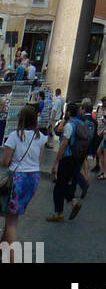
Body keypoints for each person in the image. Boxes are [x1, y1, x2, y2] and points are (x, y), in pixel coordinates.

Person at [1, 103, 46, 258]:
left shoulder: (14, 136)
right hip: (33, 178)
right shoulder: (40, 137)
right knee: (12, 216)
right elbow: (39, 161)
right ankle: (2, 251)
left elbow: (5, 162)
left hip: (17, 178)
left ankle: (12, 258)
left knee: (11, 222)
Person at [46, 101, 91, 223]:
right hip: (76, 157)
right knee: (64, 183)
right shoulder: (80, 123)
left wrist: (56, 161)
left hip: (67, 157)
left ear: (68, 113)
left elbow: (64, 144)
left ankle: (59, 213)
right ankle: (73, 202)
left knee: (59, 186)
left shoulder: (69, 126)